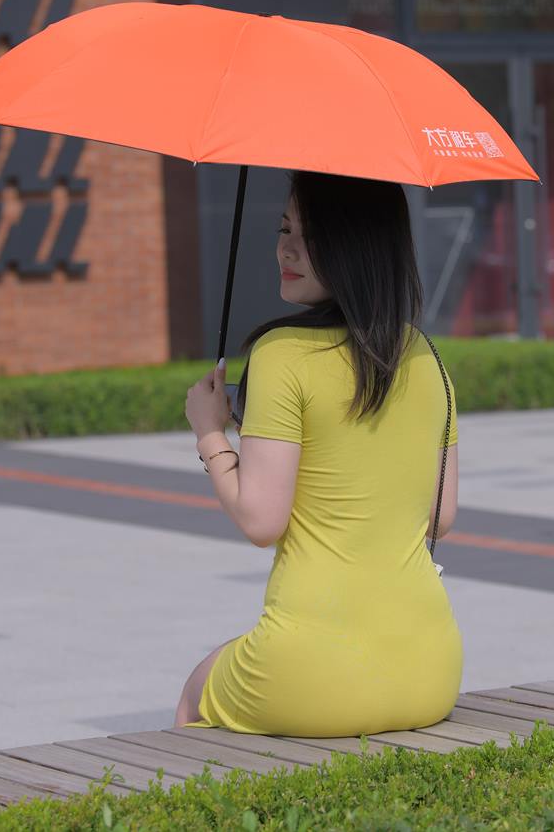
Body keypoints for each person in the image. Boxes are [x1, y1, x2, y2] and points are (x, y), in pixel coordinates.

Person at [177, 170, 462, 737]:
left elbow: (262, 521)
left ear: (357, 246)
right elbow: (440, 517)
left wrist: (210, 433)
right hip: (431, 668)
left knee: (194, 695)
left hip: (309, 669)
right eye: (285, 229)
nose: (287, 249)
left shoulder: (282, 353)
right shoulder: (424, 355)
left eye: (312, 236)